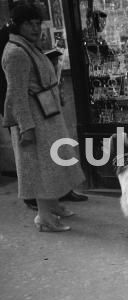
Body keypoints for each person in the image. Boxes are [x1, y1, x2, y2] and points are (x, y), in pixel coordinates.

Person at [2, 3, 85, 231]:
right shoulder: (16, 53)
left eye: (38, 23)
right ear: (18, 25)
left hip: (46, 116)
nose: (35, 27)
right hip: (34, 121)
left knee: (54, 164)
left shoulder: (29, 46)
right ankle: (44, 217)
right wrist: (26, 127)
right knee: (40, 169)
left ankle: (53, 205)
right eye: (30, 23)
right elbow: (16, 94)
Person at [22, 47, 88, 213]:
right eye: (51, 61)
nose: (54, 64)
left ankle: (62, 193)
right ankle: (38, 202)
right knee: (44, 162)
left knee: (61, 154)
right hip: (37, 117)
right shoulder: (19, 55)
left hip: (50, 114)